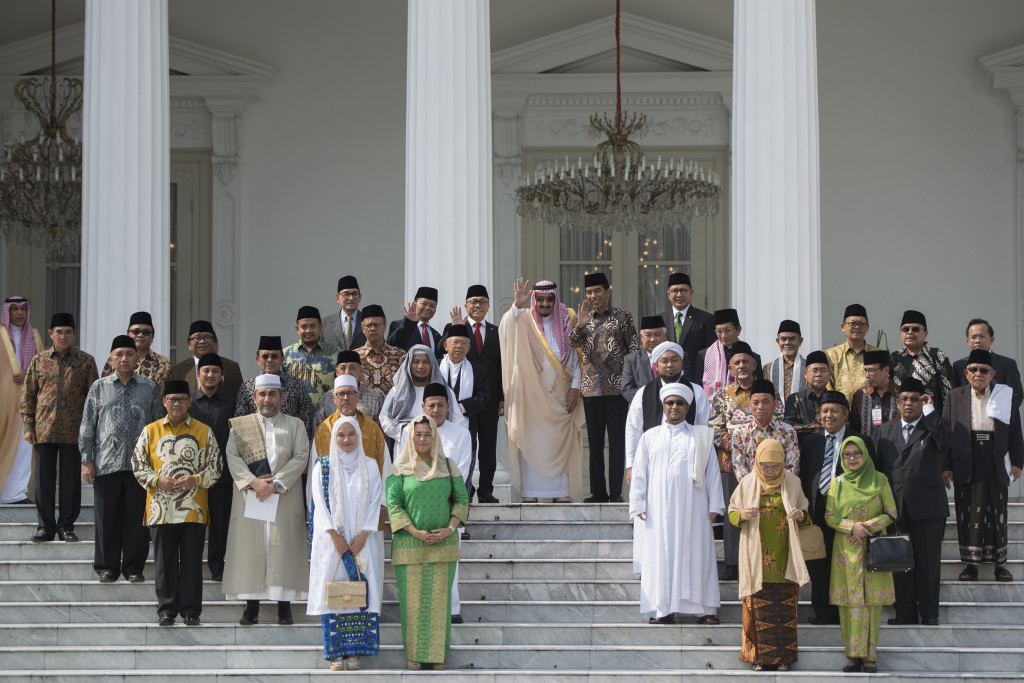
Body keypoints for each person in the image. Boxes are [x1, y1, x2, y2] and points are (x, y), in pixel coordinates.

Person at [630, 382, 723, 625]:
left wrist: (716, 505)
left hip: (696, 506)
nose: (674, 407)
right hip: (659, 508)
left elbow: (712, 471)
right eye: (670, 402)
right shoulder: (650, 437)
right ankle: (663, 610)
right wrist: (638, 503)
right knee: (661, 556)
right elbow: (639, 472)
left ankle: (704, 608)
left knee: (698, 554)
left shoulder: (701, 436)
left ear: (688, 407)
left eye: (679, 403)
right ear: (663, 405)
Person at [131, 379, 221, 626]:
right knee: (164, 562)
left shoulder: (204, 431)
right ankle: (166, 610)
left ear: (190, 401)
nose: (177, 404)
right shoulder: (150, 431)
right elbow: (138, 465)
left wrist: (196, 479)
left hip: (193, 509)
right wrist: (157, 480)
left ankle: (191, 611)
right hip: (160, 509)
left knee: (192, 562)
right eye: (172, 399)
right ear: (164, 402)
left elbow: (216, 466)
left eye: (182, 399)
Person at [223, 373, 310, 626]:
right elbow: (233, 457)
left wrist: (276, 484)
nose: (267, 399)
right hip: (252, 495)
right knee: (253, 549)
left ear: (282, 397)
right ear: (254, 398)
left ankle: (285, 607)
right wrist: (255, 483)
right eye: (262, 394)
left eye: (272, 394)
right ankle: (251, 607)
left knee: (281, 550)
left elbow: (301, 455)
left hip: (284, 495)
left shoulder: (295, 425)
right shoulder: (241, 426)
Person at [386, 414, 469, 671]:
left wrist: (450, 529)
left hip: (443, 545)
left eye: (427, 433)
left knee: (439, 605)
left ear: (435, 436)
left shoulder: (448, 466)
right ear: (410, 437)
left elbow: (462, 501)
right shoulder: (399, 468)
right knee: (412, 605)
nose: (422, 439)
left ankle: (437, 656)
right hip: (409, 547)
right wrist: (415, 532)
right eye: (417, 434)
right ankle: (414, 655)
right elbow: (394, 505)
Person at [79, 335, 163, 583]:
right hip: (106, 463)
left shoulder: (149, 387)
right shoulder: (99, 387)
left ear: (137, 358)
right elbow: (87, 426)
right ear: (111, 358)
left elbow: (159, 425)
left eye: (129, 354)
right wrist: (87, 460)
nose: (124, 359)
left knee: (137, 518)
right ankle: (107, 566)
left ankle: (134, 567)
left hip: (141, 466)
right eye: (119, 355)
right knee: (107, 518)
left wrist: (158, 462)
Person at [873, 377, 952, 626]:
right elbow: (877, 469)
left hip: (928, 506)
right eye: (905, 399)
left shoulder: (933, 427)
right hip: (895, 506)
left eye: (915, 399)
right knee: (900, 562)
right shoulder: (883, 431)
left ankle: (929, 613)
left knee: (928, 562)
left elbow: (947, 443)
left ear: (922, 401)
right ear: (897, 402)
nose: (909, 403)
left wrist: (930, 411)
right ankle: (905, 613)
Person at [307, 416, 383, 670]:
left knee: (358, 592)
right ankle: (335, 654)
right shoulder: (323, 467)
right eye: (341, 435)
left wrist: (363, 535)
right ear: (334, 438)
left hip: (362, 542)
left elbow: (375, 502)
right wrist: (335, 536)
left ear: (359, 436)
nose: (347, 440)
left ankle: (355, 653)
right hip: (333, 544)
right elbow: (319, 505)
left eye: (351, 434)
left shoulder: (370, 466)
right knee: (334, 594)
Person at [499, 278, 585, 503]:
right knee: (533, 440)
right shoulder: (524, 318)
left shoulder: (568, 319)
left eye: (549, 299)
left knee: (560, 441)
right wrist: (517, 306)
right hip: (532, 396)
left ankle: (561, 493)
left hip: (561, 393)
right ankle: (531, 492)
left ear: (555, 299)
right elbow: (507, 329)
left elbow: (576, 358)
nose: (545, 304)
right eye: (540, 299)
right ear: (534, 300)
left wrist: (575, 388)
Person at [729, 439, 811, 672]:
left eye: (776, 466)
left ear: (784, 464)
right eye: (765, 466)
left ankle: (783, 658)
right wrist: (743, 514)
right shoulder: (747, 483)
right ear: (756, 462)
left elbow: (806, 514)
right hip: (755, 556)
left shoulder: (793, 482)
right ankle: (757, 658)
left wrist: (800, 515)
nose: (770, 471)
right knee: (757, 609)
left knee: (784, 611)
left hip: (786, 556)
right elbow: (732, 513)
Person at [310, 374, 390, 613]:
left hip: (365, 524)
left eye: (350, 393)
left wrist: (382, 507)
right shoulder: (324, 430)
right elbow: (316, 491)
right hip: (332, 529)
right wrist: (329, 529)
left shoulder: (372, 429)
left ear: (358, 396)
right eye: (341, 394)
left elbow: (385, 467)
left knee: (367, 575)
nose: (346, 398)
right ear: (333, 397)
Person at [943, 349, 1024, 582]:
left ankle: (1001, 565)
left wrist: (1017, 462)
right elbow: (947, 434)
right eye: (973, 370)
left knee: (997, 511)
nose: (978, 374)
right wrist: (945, 465)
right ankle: (970, 565)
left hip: (994, 457)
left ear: (993, 374)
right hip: (966, 458)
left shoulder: (1004, 395)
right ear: (966, 373)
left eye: (984, 370)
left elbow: (1015, 432)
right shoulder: (954, 396)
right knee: (967, 512)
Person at [396, 383, 473, 621]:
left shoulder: (461, 433)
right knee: (418, 565)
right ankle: (418, 610)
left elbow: (462, 470)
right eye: (432, 405)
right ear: (423, 406)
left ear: (449, 407)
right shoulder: (410, 433)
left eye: (441, 405)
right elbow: (401, 469)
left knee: (449, 562)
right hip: (416, 507)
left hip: (447, 507)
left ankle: (451, 609)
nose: (436, 409)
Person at [798, 390, 875, 625]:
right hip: (818, 507)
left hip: (848, 512)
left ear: (845, 415)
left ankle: (848, 611)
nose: (828, 415)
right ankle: (823, 611)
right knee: (819, 562)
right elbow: (804, 475)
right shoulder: (811, 441)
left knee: (847, 561)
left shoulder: (860, 441)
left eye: (833, 411)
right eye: (824, 411)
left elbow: (869, 476)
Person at [21, 313, 98, 543]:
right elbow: (28, 396)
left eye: (67, 331)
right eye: (59, 331)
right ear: (50, 334)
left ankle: (66, 526)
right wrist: (28, 426)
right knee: (43, 482)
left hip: (74, 432)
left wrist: (91, 432)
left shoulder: (85, 361)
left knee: (70, 482)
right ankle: (45, 527)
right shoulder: (39, 360)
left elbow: (93, 398)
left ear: (74, 333)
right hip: (44, 430)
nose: (63, 336)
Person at [824, 435, 897, 674]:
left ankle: (870, 657)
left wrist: (866, 527)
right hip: (845, 550)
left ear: (865, 455)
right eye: (847, 455)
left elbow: (891, 512)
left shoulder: (879, 479)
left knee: (871, 603)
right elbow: (829, 516)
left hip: (874, 548)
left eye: (857, 454)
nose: (852, 458)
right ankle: (853, 656)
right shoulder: (838, 483)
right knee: (849, 604)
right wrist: (851, 527)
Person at [569, 272, 639, 503]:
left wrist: (631, 385)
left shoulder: (623, 317)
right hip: (592, 390)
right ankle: (598, 492)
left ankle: (616, 493)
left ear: (607, 292)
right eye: (589, 292)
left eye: (597, 291)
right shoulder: (584, 318)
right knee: (596, 443)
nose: (593, 296)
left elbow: (634, 350)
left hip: (618, 391)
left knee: (618, 442)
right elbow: (572, 343)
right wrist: (579, 326)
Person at [439, 285, 503, 504]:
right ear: (466, 305)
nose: (478, 305)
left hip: (486, 399)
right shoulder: (457, 327)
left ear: (488, 306)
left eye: (482, 302)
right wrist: (456, 327)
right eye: (473, 301)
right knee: (461, 446)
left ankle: (485, 489)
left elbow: (500, 365)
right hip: (458, 400)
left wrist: (502, 396)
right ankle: (465, 487)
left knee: (487, 447)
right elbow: (441, 351)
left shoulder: (496, 332)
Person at [708, 342, 762, 580]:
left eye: (745, 362)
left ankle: (759, 562)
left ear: (754, 365)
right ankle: (732, 563)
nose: (741, 366)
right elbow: (714, 428)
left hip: (762, 461)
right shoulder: (723, 395)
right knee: (734, 513)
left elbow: (777, 418)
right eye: (737, 362)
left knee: (760, 511)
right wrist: (736, 444)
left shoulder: (765, 392)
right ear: (730, 367)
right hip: (730, 461)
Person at [187, 353, 236, 581]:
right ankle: (192, 564)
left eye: (215, 371)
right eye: (206, 371)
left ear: (221, 376)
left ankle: (217, 565)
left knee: (220, 522)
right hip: (193, 473)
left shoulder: (231, 404)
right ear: (198, 375)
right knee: (194, 522)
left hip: (222, 472)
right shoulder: (188, 404)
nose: (210, 375)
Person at [437, 324, 490, 498]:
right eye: (455, 342)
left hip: (467, 427)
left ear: (469, 348)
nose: (459, 346)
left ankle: (462, 499)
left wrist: (458, 408)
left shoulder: (477, 370)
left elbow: (483, 396)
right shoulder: (435, 368)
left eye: (463, 343)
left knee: (464, 463)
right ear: (446, 345)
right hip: (437, 426)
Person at [0, 295, 42, 504]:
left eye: (22, 309)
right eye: (14, 309)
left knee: (25, 448)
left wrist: (27, 375)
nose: (18, 313)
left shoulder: (34, 336)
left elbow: (44, 368)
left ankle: (16, 494)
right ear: (7, 312)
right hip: (2, 404)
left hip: (27, 404)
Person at [234, 335, 313, 440]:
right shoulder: (247, 386)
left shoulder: (296, 385)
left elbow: (305, 420)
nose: (269, 360)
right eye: (265, 356)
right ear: (257, 359)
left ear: (282, 359)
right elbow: (240, 421)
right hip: (256, 446)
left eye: (274, 356)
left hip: (289, 444)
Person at [380, 345, 464, 441]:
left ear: (432, 364)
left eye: (425, 362)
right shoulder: (397, 391)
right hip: (406, 446)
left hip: (438, 445)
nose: (421, 366)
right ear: (409, 365)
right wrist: (404, 430)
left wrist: (440, 434)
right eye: (416, 362)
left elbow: (458, 421)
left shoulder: (444, 392)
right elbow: (384, 418)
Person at [729, 379, 798, 480]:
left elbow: (792, 466)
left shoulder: (788, 432)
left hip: (782, 491)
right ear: (750, 406)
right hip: (751, 491)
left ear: (775, 405)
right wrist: (756, 489)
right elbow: (739, 467)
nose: (760, 407)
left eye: (765, 402)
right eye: (756, 403)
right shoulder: (740, 433)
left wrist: (775, 489)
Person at [890, 310, 954, 412]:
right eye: (905, 329)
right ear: (900, 333)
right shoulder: (894, 358)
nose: (910, 332)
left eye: (915, 329)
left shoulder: (938, 356)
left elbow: (949, 393)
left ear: (925, 333)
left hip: (931, 421)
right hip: (902, 421)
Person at [952, 319, 1023, 408]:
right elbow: (955, 396)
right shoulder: (959, 365)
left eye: (982, 336)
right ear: (968, 342)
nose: (978, 341)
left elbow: (1017, 395)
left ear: (991, 340)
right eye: (973, 337)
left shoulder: (1007, 364)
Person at [658, 272, 715, 382]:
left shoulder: (706, 319)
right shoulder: (660, 320)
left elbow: (711, 354)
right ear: (668, 294)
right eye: (675, 291)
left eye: (683, 290)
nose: (679, 295)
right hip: (667, 380)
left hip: (696, 379)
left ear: (691, 293)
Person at [169, 320, 245, 399]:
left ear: (215, 342)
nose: (202, 341)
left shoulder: (231, 367)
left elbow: (241, 400)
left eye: (207, 337)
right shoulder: (178, 370)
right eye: (197, 338)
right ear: (189, 344)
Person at [698, 308, 762, 400]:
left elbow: (758, 388)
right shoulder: (703, 355)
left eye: (728, 330)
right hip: (711, 410)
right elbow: (698, 388)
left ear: (738, 330)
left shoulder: (753, 357)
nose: (723, 336)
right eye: (719, 331)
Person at [284, 305, 341, 406]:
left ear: (321, 327)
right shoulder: (285, 355)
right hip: (294, 416)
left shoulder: (336, 353)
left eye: (313, 326)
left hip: (327, 416)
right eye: (303, 327)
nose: (308, 330)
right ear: (297, 329)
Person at [313, 350, 386, 428]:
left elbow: (382, 432)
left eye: (352, 368)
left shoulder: (374, 397)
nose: (347, 372)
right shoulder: (327, 398)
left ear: (361, 371)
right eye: (343, 368)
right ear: (337, 372)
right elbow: (318, 428)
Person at [100, 311, 172, 391]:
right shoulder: (116, 360)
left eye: (146, 332)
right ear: (127, 334)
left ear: (153, 337)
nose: (140, 335)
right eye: (135, 331)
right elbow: (103, 390)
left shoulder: (164, 363)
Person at [825, 303, 878, 404]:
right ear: (843, 327)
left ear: (867, 327)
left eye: (861, 324)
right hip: (840, 415)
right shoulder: (831, 355)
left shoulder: (877, 354)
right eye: (852, 323)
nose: (857, 327)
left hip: (870, 412)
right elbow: (828, 388)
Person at [355, 304, 407, 396]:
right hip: (363, 409)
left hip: (393, 409)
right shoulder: (355, 357)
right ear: (363, 329)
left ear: (384, 326)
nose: (373, 328)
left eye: (376, 325)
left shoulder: (400, 355)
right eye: (369, 325)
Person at [850, 349, 899, 438]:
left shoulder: (900, 394)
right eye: (865, 370)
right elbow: (854, 428)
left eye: (871, 370)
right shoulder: (861, 395)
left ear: (886, 370)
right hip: (867, 449)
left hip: (894, 450)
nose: (867, 375)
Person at [783, 349, 830, 441]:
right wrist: (822, 427)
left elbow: (843, 425)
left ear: (829, 374)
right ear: (805, 374)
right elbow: (789, 427)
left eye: (823, 370)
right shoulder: (795, 399)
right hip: (802, 449)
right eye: (814, 370)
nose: (818, 374)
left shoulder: (836, 399)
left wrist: (805, 428)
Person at [620, 315, 667, 403]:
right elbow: (627, 389)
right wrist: (649, 399)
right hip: (643, 408)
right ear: (641, 337)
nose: (652, 339)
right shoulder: (631, 359)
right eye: (648, 335)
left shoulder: (677, 357)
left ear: (665, 335)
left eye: (657, 335)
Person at [388, 286, 442, 352]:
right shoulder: (399, 325)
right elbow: (392, 346)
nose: (428, 308)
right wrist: (409, 323)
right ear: (414, 304)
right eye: (424, 304)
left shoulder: (436, 335)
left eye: (432, 306)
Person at [322, 276, 366, 352]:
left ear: (360, 297)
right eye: (346, 294)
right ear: (337, 298)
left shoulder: (367, 321)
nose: (351, 298)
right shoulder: (325, 323)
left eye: (355, 294)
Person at [764, 320, 805, 400]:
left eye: (791, 339)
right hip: (775, 412)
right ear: (777, 341)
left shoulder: (808, 368)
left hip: (802, 412)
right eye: (783, 339)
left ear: (800, 341)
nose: (787, 343)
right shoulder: (768, 368)